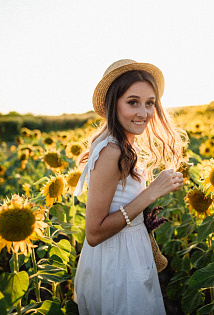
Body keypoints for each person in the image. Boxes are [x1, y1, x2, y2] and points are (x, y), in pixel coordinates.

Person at [73, 59, 187, 314]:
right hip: (117, 262)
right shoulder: (111, 151)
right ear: (113, 104)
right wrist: (151, 193)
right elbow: (93, 233)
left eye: (150, 103)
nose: (143, 113)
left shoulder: (122, 145)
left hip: (127, 254)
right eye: (132, 102)